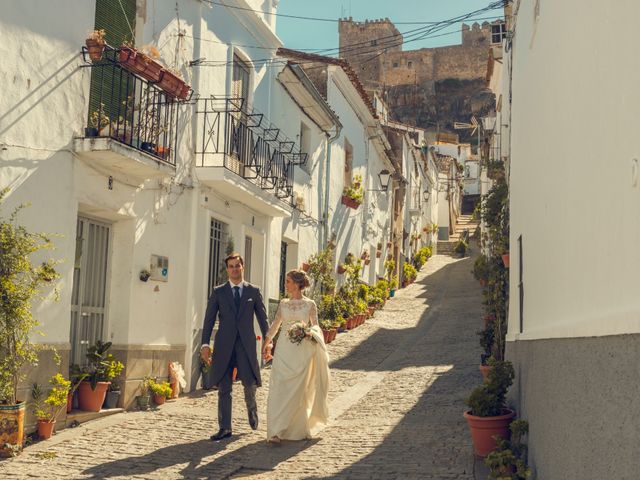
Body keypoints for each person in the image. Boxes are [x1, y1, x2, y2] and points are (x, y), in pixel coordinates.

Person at [201, 252, 269, 441]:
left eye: (237, 266)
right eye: (231, 266)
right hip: (224, 346)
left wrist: (268, 340)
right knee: (224, 388)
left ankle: (252, 410)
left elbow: (263, 319)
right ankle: (225, 428)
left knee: (249, 384)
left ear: (243, 267)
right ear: (227, 269)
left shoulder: (253, 291)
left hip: (245, 346)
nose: (234, 269)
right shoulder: (218, 292)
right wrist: (205, 344)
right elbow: (208, 320)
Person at [262, 269, 330, 444]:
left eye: (289, 281)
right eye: (286, 281)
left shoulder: (310, 305)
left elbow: (316, 327)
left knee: (298, 391)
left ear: (298, 284)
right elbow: (276, 324)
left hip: (301, 351)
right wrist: (267, 342)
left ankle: (295, 429)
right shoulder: (283, 304)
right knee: (278, 389)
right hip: (283, 350)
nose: (286, 284)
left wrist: (307, 333)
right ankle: (276, 431)